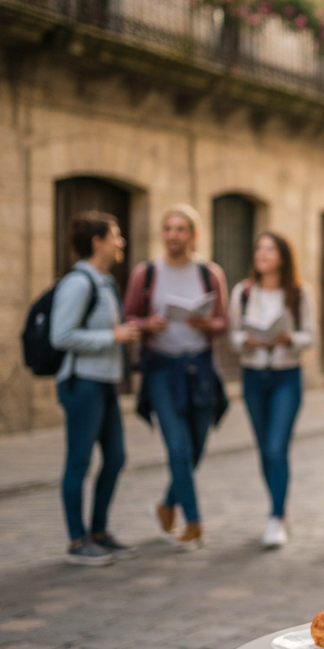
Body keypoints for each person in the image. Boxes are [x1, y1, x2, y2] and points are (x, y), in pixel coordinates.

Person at [123, 205, 228, 552]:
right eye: (168, 229)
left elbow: (223, 322)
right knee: (177, 447)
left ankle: (168, 503)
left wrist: (205, 324)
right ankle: (194, 522)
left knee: (197, 445)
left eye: (181, 229)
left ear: (193, 235)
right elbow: (129, 318)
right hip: (161, 369)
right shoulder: (146, 273)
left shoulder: (209, 273)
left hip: (198, 369)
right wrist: (146, 325)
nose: (173, 235)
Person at [50, 212, 142, 566]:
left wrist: (129, 329)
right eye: (115, 236)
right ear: (97, 242)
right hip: (82, 383)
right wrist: (112, 336)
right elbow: (61, 336)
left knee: (116, 457)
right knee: (79, 460)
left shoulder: (105, 282)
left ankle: (99, 533)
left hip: (104, 382)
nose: (121, 242)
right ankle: (77, 541)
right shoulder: (78, 282)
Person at [229, 232, 314, 548]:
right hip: (253, 376)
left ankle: (276, 516)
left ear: (283, 256)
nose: (262, 254)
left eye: (270, 249)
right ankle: (278, 504)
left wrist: (289, 339)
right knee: (265, 449)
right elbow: (233, 334)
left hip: (286, 376)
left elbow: (311, 335)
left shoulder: (298, 292)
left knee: (277, 447)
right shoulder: (244, 292)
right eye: (259, 248)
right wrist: (246, 341)